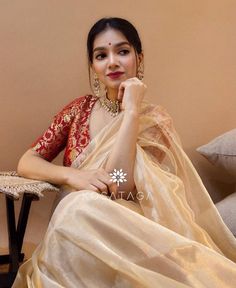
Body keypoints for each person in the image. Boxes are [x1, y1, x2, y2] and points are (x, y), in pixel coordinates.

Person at [13, 17, 236, 288]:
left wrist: (131, 111)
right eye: (101, 55)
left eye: (122, 51)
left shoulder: (154, 120)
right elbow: (27, 160)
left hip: (125, 233)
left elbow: (120, 187)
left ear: (138, 58)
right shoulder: (79, 111)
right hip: (76, 234)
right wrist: (73, 177)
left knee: (79, 206)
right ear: (92, 66)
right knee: (76, 206)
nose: (112, 62)